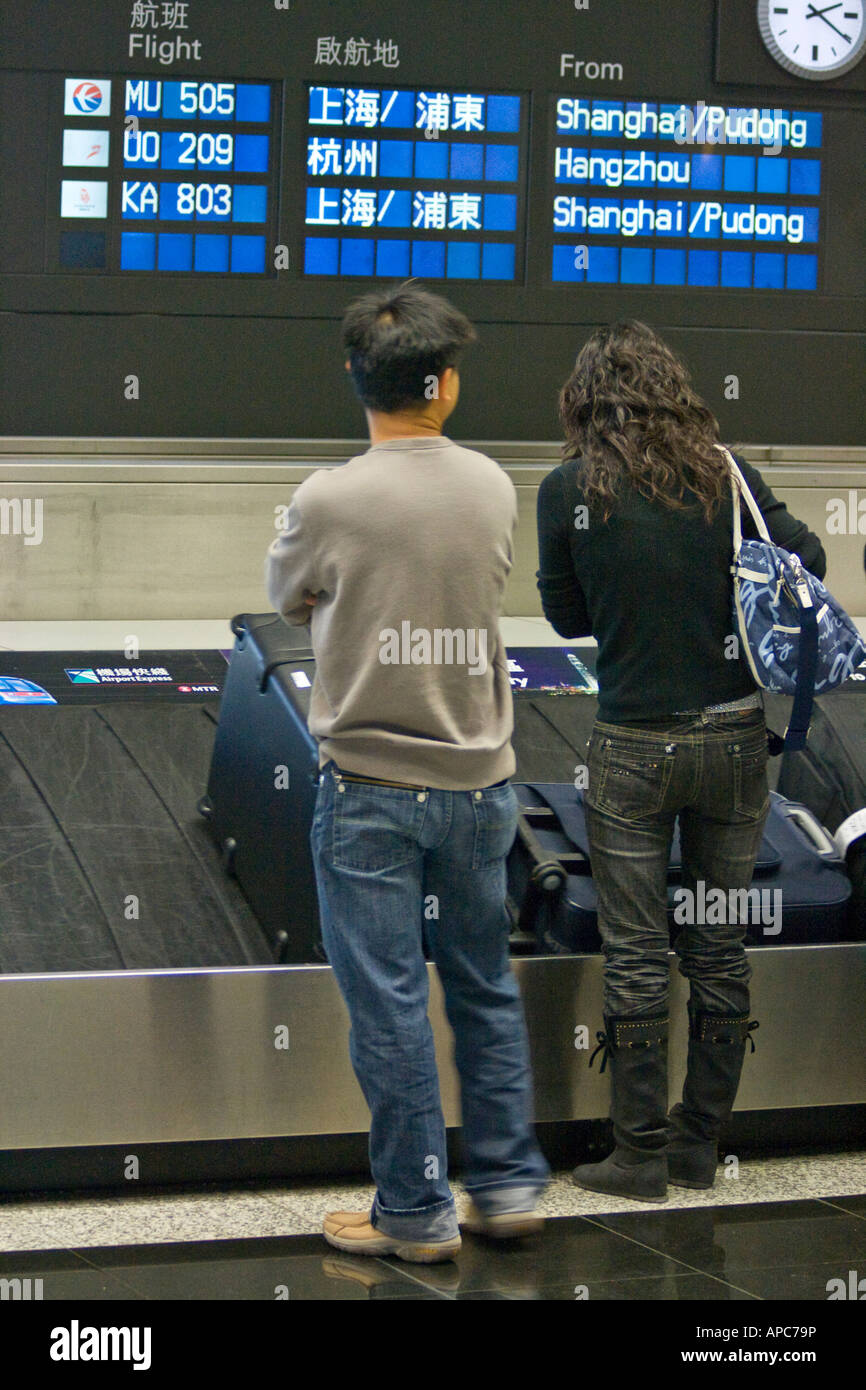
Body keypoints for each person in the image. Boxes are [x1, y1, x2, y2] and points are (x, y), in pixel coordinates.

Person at [265, 280, 549, 1262]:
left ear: (357, 379)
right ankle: (509, 1188)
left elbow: (287, 594)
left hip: (369, 791)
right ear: (449, 386)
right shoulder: (493, 484)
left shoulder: (327, 496)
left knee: (387, 997)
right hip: (481, 786)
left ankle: (415, 1211)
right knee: (482, 983)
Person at [536, 320, 827, 1202]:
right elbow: (806, 561)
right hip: (737, 742)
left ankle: (638, 1156)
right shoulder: (726, 475)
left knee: (636, 951)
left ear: (584, 402)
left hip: (632, 746)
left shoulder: (565, 490)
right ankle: (701, 1146)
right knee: (719, 941)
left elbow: (566, 619)